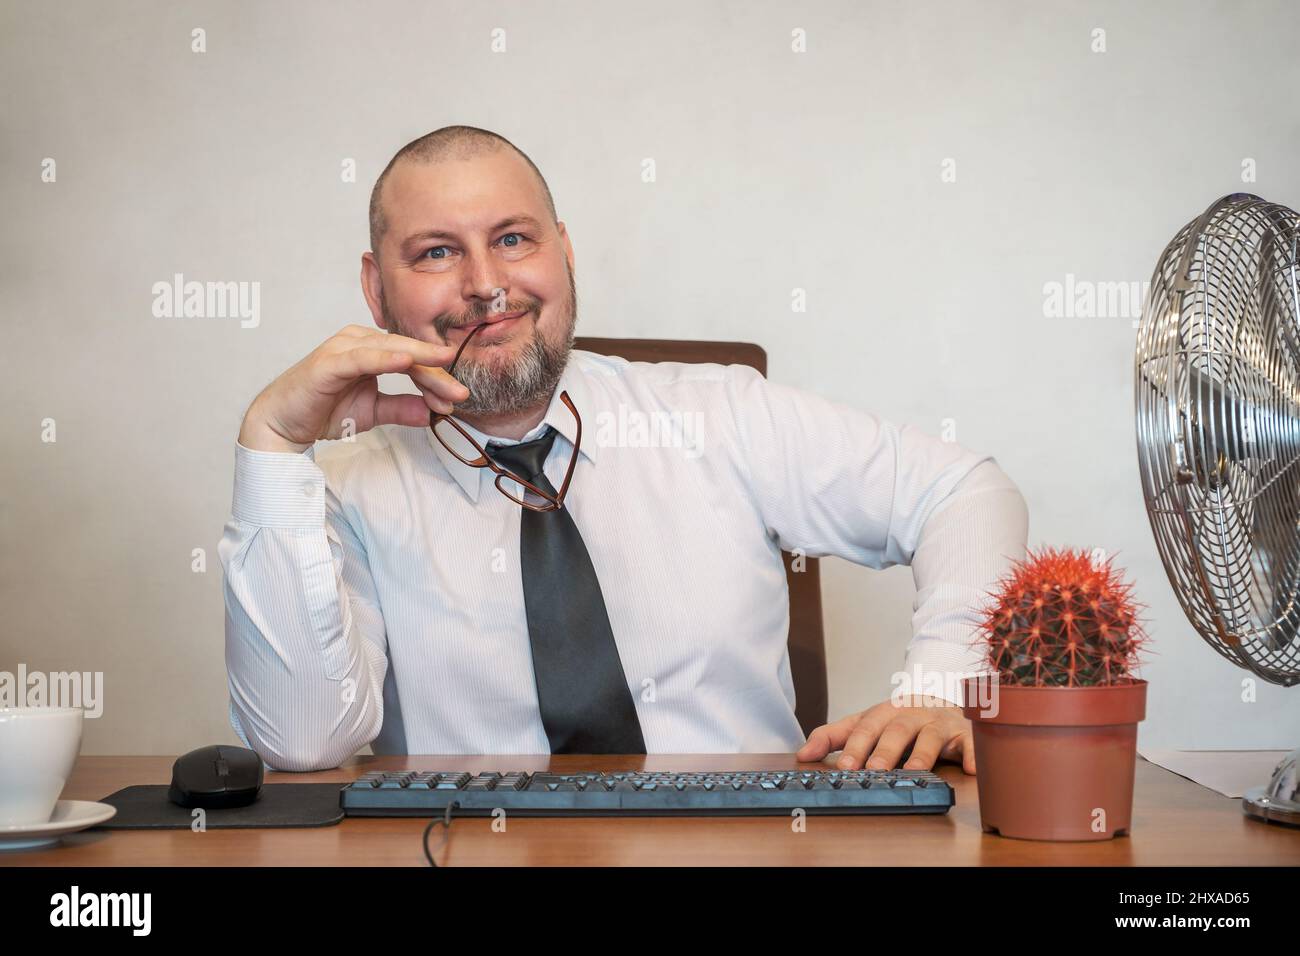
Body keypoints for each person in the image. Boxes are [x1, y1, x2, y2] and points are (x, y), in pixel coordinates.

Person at [220, 125, 1028, 773]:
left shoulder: (719, 414)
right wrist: (273, 446)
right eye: (436, 251)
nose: (485, 284)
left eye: (512, 239)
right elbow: (303, 743)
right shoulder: (337, 491)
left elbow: (966, 492)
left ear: (563, 252)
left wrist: (943, 688)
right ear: (375, 289)